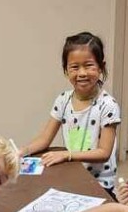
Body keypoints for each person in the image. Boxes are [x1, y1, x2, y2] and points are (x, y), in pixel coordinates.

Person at [19, 32, 121, 196]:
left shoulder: (108, 105)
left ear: (101, 67)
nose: (82, 73)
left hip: (100, 184)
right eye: (74, 67)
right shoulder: (63, 100)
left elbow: (104, 153)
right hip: (72, 173)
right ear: (66, 70)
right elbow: (45, 139)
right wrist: (21, 151)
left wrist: (67, 155)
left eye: (88, 65)